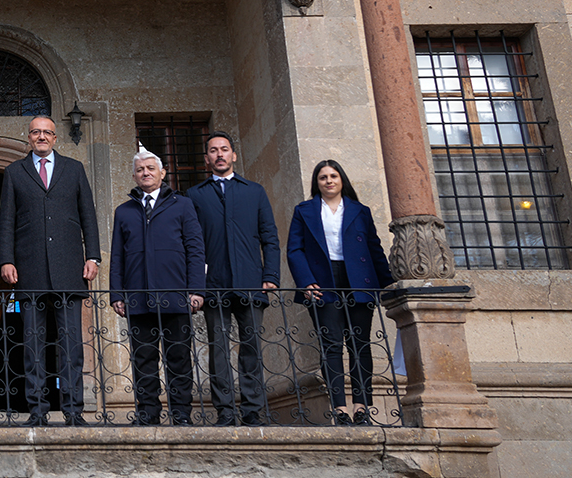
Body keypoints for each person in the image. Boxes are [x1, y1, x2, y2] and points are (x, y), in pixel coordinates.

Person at [0, 115, 101, 427]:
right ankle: (37, 410)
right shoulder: (14, 172)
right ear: (28, 137)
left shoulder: (75, 169)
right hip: (29, 269)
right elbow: (7, 221)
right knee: (33, 345)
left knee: (71, 344)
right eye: (36, 132)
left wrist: (93, 257)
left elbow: (88, 215)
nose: (41, 137)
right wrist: (6, 259)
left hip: (69, 268)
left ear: (56, 138)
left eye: (47, 133)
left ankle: (73, 410)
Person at [286, 160, 394, 426]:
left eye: (333, 176)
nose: (329, 181)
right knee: (331, 345)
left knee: (359, 345)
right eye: (323, 177)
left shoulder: (360, 211)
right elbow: (295, 249)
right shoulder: (305, 210)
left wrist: (388, 285)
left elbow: (375, 249)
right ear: (317, 182)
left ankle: (361, 407)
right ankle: (340, 409)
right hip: (322, 283)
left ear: (342, 179)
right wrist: (306, 282)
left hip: (358, 280)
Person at [185, 130, 280, 427]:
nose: (219, 155)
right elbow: (192, 243)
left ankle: (252, 409)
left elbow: (270, 238)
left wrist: (271, 275)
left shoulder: (255, 191)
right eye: (213, 151)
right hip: (214, 283)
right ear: (206, 159)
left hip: (251, 281)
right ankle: (225, 410)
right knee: (219, 349)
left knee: (251, 348)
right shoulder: (195, 195)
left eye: (224, 149)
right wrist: (195, 286)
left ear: (234, 155)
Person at [110, 150, 205, 426]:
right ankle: (148, 413)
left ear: (162, 173)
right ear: (134, 176)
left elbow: (195, 250)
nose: (145, 173)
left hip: (176, 296)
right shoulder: (123, 212)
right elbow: (118, 256)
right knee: (144, 359)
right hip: (138, 298)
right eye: (140, 170)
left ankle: (181, 414)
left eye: (151, 168)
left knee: (178, 357)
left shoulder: (182, 205)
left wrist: (196, 289)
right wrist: (117, 293)